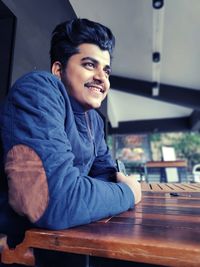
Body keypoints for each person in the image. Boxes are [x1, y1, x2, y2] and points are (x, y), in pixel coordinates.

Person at [0, 18, 141, 266]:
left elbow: (105, 177)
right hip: (20, 249)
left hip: (71, 239)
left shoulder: (95, 121)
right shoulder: (38, 90)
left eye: (106, 70)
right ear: (58, 69)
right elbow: (56, 201)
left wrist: (80, 192)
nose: (101, 78)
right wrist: (130, 191)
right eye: (89, 64)